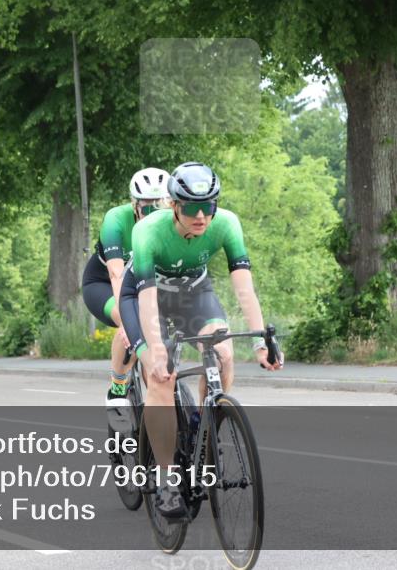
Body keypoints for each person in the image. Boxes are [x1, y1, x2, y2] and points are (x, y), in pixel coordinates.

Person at [119, 161, 281, 518]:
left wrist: (260, 343)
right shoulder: (148, 231)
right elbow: (147, 300)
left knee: (223, 354)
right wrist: (156, 350)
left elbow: (244, 289)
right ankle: (166, 481)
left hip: (193, 294)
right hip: (144, 297)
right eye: (192, 208)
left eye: (208, 206)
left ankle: (205, 431)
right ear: (173, 205)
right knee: (161, 376)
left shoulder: (227, 223)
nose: (201, 216)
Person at [81, 167, 171, 430]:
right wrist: (129, 319)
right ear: (134, 204)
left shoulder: (174, 223)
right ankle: (118, 388)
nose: (153, 215)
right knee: (130, 324)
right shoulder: (116, 220)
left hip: (146, 284)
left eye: (160, 208)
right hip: (105, 285)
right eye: (147, 208)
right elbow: (117, 274)